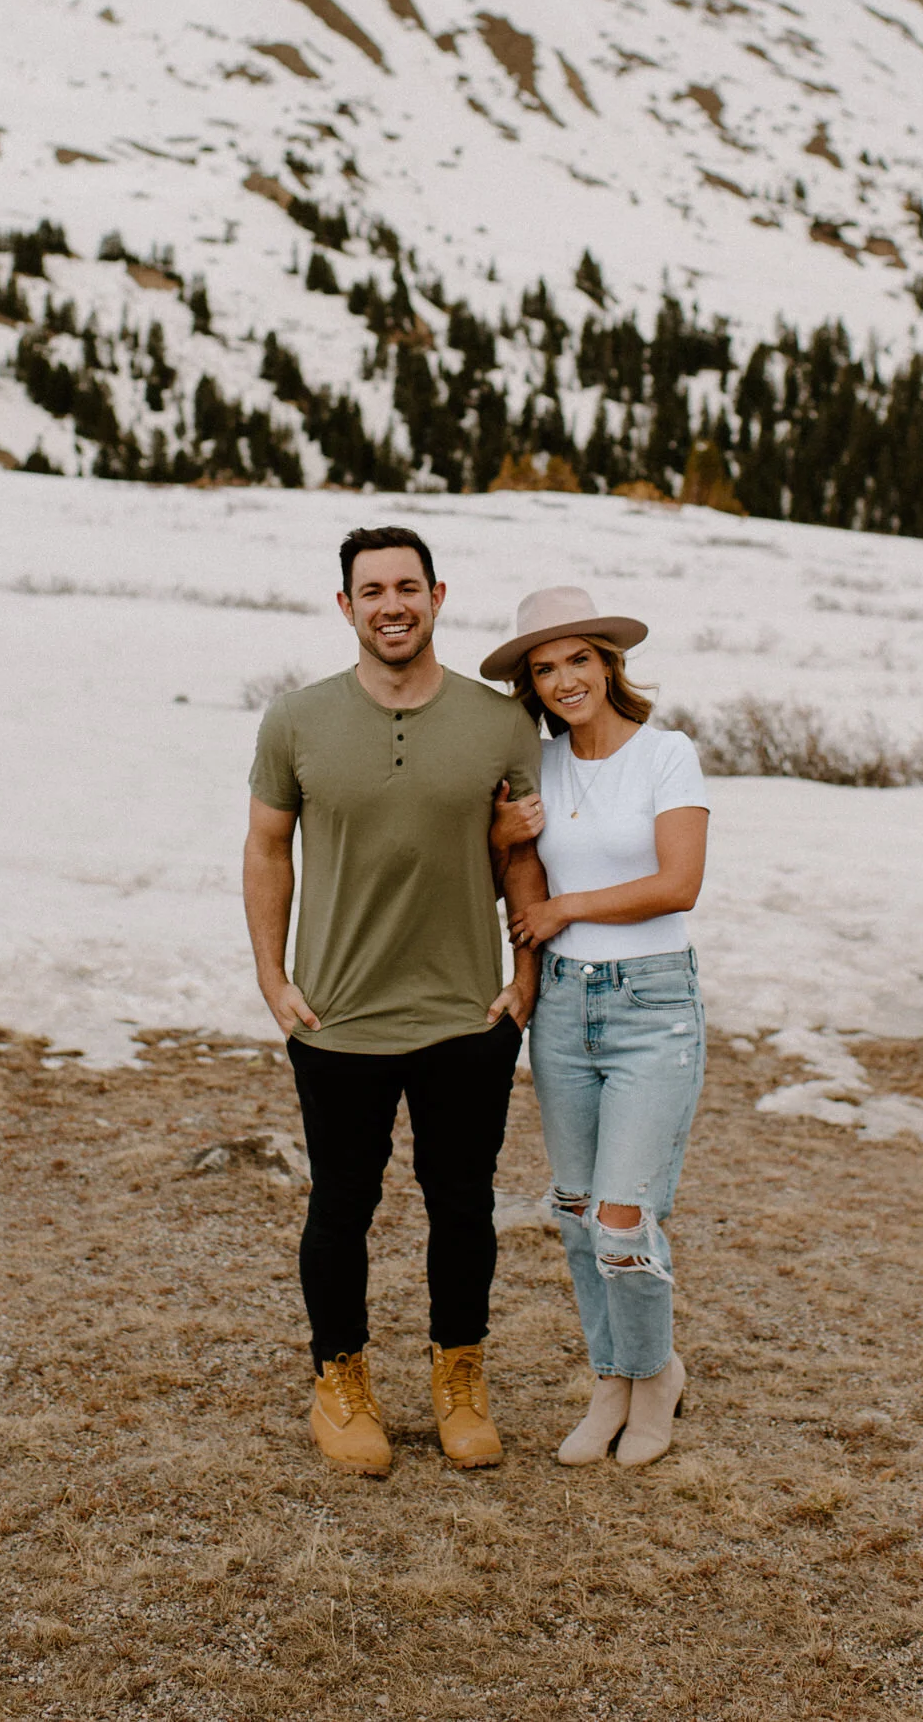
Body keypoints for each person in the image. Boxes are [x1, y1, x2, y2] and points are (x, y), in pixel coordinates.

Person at [243, 526, 546, 1478]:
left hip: (466, 1014)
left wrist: (525, 974)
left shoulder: (500, 723)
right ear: (346, 607)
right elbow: (267, 849)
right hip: (339, 1017)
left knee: (463, 1205)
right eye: (371, 591)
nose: (392, 606)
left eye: (407, 587)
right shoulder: (295, 720)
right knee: (342, 1203)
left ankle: (461, 1376)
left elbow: (521, 854)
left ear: (437, 596)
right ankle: (339, 1380)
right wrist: (272, 978)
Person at [483, 585, 709, 1469]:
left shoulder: (666, 754)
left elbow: (678, 883)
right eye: (545, 669)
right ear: (532, 686)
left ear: (609, 665)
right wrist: (502, 841)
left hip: (653, 1005)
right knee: (577, 1215)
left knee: (623, 1219)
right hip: (564, 1006)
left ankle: (655, 1377)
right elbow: (516, 873)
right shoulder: (538, 764)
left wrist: (567, 908)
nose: (565, 679)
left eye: (579, 659)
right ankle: (611, 1377)